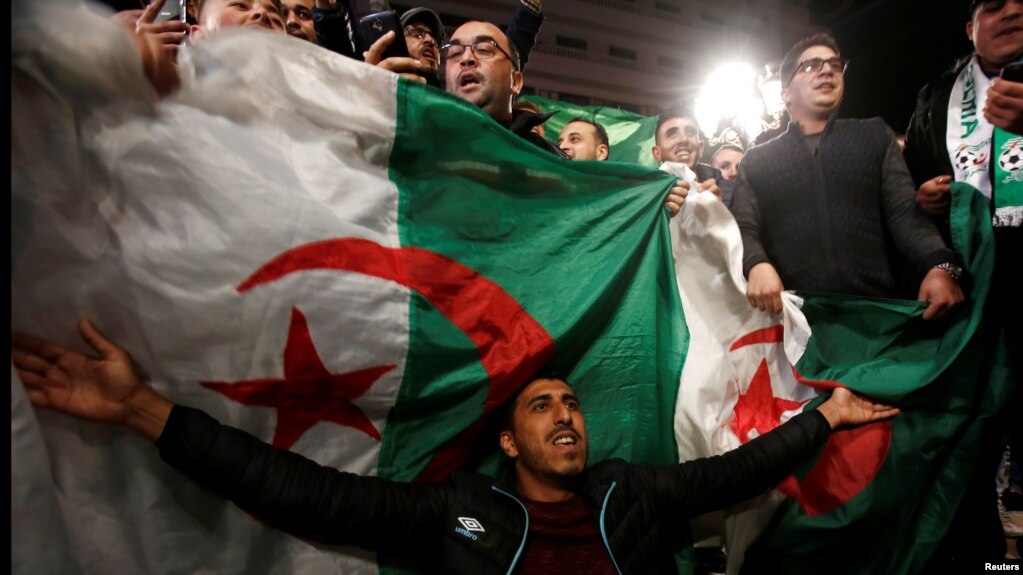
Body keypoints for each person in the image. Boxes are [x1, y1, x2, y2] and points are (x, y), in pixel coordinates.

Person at [12, 320, 899, 574]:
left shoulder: (629, 493)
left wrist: (827, 415)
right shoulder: (461, 510)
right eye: (541, 406)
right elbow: (301, 490)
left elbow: (734, 471)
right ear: (507, 440)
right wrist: (145, 413)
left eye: (572, 405)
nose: (565, 416)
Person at [903, 0, 1023, 561]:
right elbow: (909, 186)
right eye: (994, 4)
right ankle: (985, 557)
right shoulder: (936, 95)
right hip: (969, 289)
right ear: (971, 25)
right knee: (968, 438)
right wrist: (923, 198)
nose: (1011, 12)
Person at [731, 33, 964, 320]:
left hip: (874, 318)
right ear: (786, 93)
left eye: (834, 64)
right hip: (791, 325)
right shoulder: (756, 159)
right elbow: (743, 226)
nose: (827, 70)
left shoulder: (875, 136)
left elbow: (905, 213)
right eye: (810, 66)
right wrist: (756, 265)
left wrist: (940, 266)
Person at [651, 107, 725, 204]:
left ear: (701, 148)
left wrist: (721, 211)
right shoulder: (647, 199)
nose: (684, 139)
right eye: (672, 134)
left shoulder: (726, 189)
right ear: (657, 153)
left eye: (690, 132)